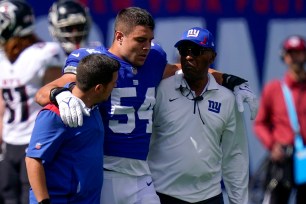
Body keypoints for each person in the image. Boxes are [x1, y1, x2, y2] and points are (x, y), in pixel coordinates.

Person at [34, 7, 257, 204]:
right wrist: (58, 94)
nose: (147, 47)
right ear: (119, 37)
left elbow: (185, 69)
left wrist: (227, 79)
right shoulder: (97, 62)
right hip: (106, 169)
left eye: (150, 40)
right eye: (140, 40)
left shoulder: (154, 59)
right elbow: (45, 92)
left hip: (141, 175)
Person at [147, 27, 249, 204]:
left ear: (212, 57)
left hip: (209, 197)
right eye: (183, 51)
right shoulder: (161, 90)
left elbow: (235, 156)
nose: (188, 56)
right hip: (162, 195)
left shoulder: (226, 99)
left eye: (196, 51)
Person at [25, 54, 120, 204]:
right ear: (99, 88)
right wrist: (43, 201)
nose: (115, 87)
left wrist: (66, 89)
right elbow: (33, 160)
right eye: (113, 83)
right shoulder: (54, 114)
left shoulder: (93, 106)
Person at [0, 0, 66, 203]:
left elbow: (55, 96)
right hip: (10, 143)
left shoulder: (44, 53)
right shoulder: (3, 58)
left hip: (35, 141)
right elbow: (2, 104)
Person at [254, 35, 306, 204]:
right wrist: (272, 145)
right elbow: (260, 123)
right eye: (291, 53)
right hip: (283, 159)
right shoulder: (274, 89)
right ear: (284, 57)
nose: (295, 58)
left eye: (299, 53)